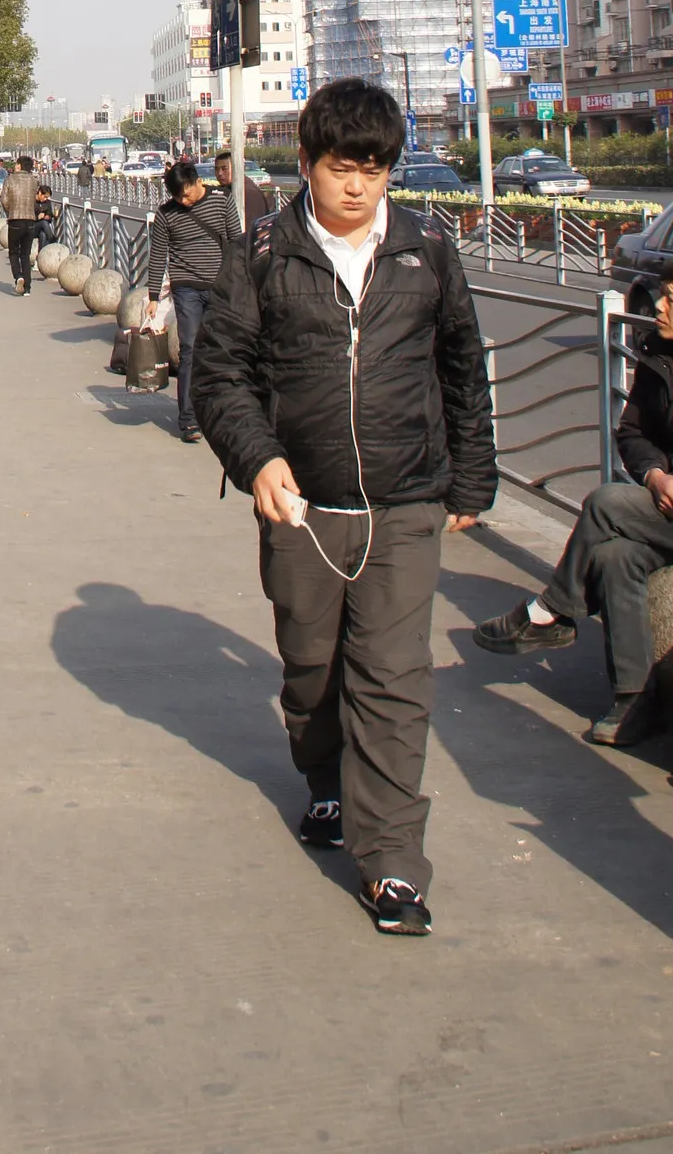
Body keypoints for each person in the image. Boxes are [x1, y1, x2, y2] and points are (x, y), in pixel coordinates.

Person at [193, 79, 495, 938]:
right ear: (306, 163)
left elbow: (461, 365)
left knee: (394, 678)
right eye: (341, 167)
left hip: (405, 500)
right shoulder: (261, 250)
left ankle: (392, 859)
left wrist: (471, 476)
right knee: (311, 667)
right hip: (302, 504)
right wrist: (257, 459)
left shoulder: (427, 247)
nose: (358, 186)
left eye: (375, 169)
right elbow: (221, 373)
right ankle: (324, 781)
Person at [473, 251, 673, 745]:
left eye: (670, 300)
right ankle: (635, 701)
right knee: (613, 556)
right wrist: (656, 478)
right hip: (670, 503)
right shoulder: (659, 352)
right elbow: (631, 433)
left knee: (608, 501)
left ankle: (554, 610)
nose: (657, 308)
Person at [145, 159, 242, 442]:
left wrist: (242, 284)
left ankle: (222, 412)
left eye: (186, 193)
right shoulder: (166, 214)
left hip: (221, 287)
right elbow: (158, 254)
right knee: (189, 349)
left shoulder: (222, 202)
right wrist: (153, 296)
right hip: (186, 288)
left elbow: (237, 243)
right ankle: (188, 418)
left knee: (224, 350)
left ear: (198, 181)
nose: (183, 201)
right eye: (177, 196)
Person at [0, 155, 41, 296]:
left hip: (15, 220)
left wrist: (10, 212)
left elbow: (4, 200)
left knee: (13, 252)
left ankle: (18, 276)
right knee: (25, 254)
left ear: (19, 165)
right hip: (30, 220)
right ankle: (28, 288)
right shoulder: (34, 181)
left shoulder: (10, 179)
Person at [215, 147, 270, 230]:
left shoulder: (247, 192)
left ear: (236, 168)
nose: (219, 173)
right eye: (216, 169)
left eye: (224, 169)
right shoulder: (225, 189)